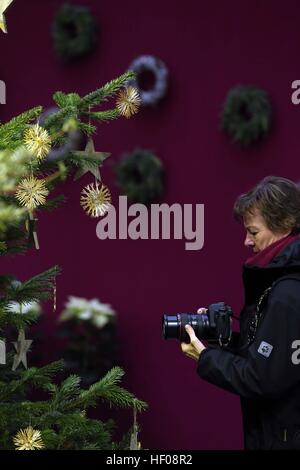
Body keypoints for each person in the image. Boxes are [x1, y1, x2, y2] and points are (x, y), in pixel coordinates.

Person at [181, 176, 300, 450]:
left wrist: (205, 357)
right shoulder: (283, 283)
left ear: (284, 225)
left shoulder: (288, 293)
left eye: (254, 232)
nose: (246, 241)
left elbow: (261, 378)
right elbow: (274, 357)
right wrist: (222, 340)